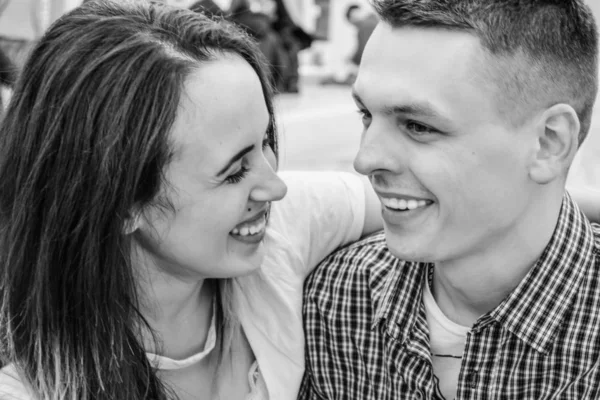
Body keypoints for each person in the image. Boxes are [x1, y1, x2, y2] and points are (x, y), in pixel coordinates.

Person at [0, 1, 383, 399]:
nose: (275, 187)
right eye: (234, 171)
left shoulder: (282, 227)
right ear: (120, 201)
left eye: (266, 142)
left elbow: (424, 207)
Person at [300, 0, 600, 399]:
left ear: (548, 142)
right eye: (366, 115)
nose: (365, 159)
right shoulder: (335, 301)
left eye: (418, 126)